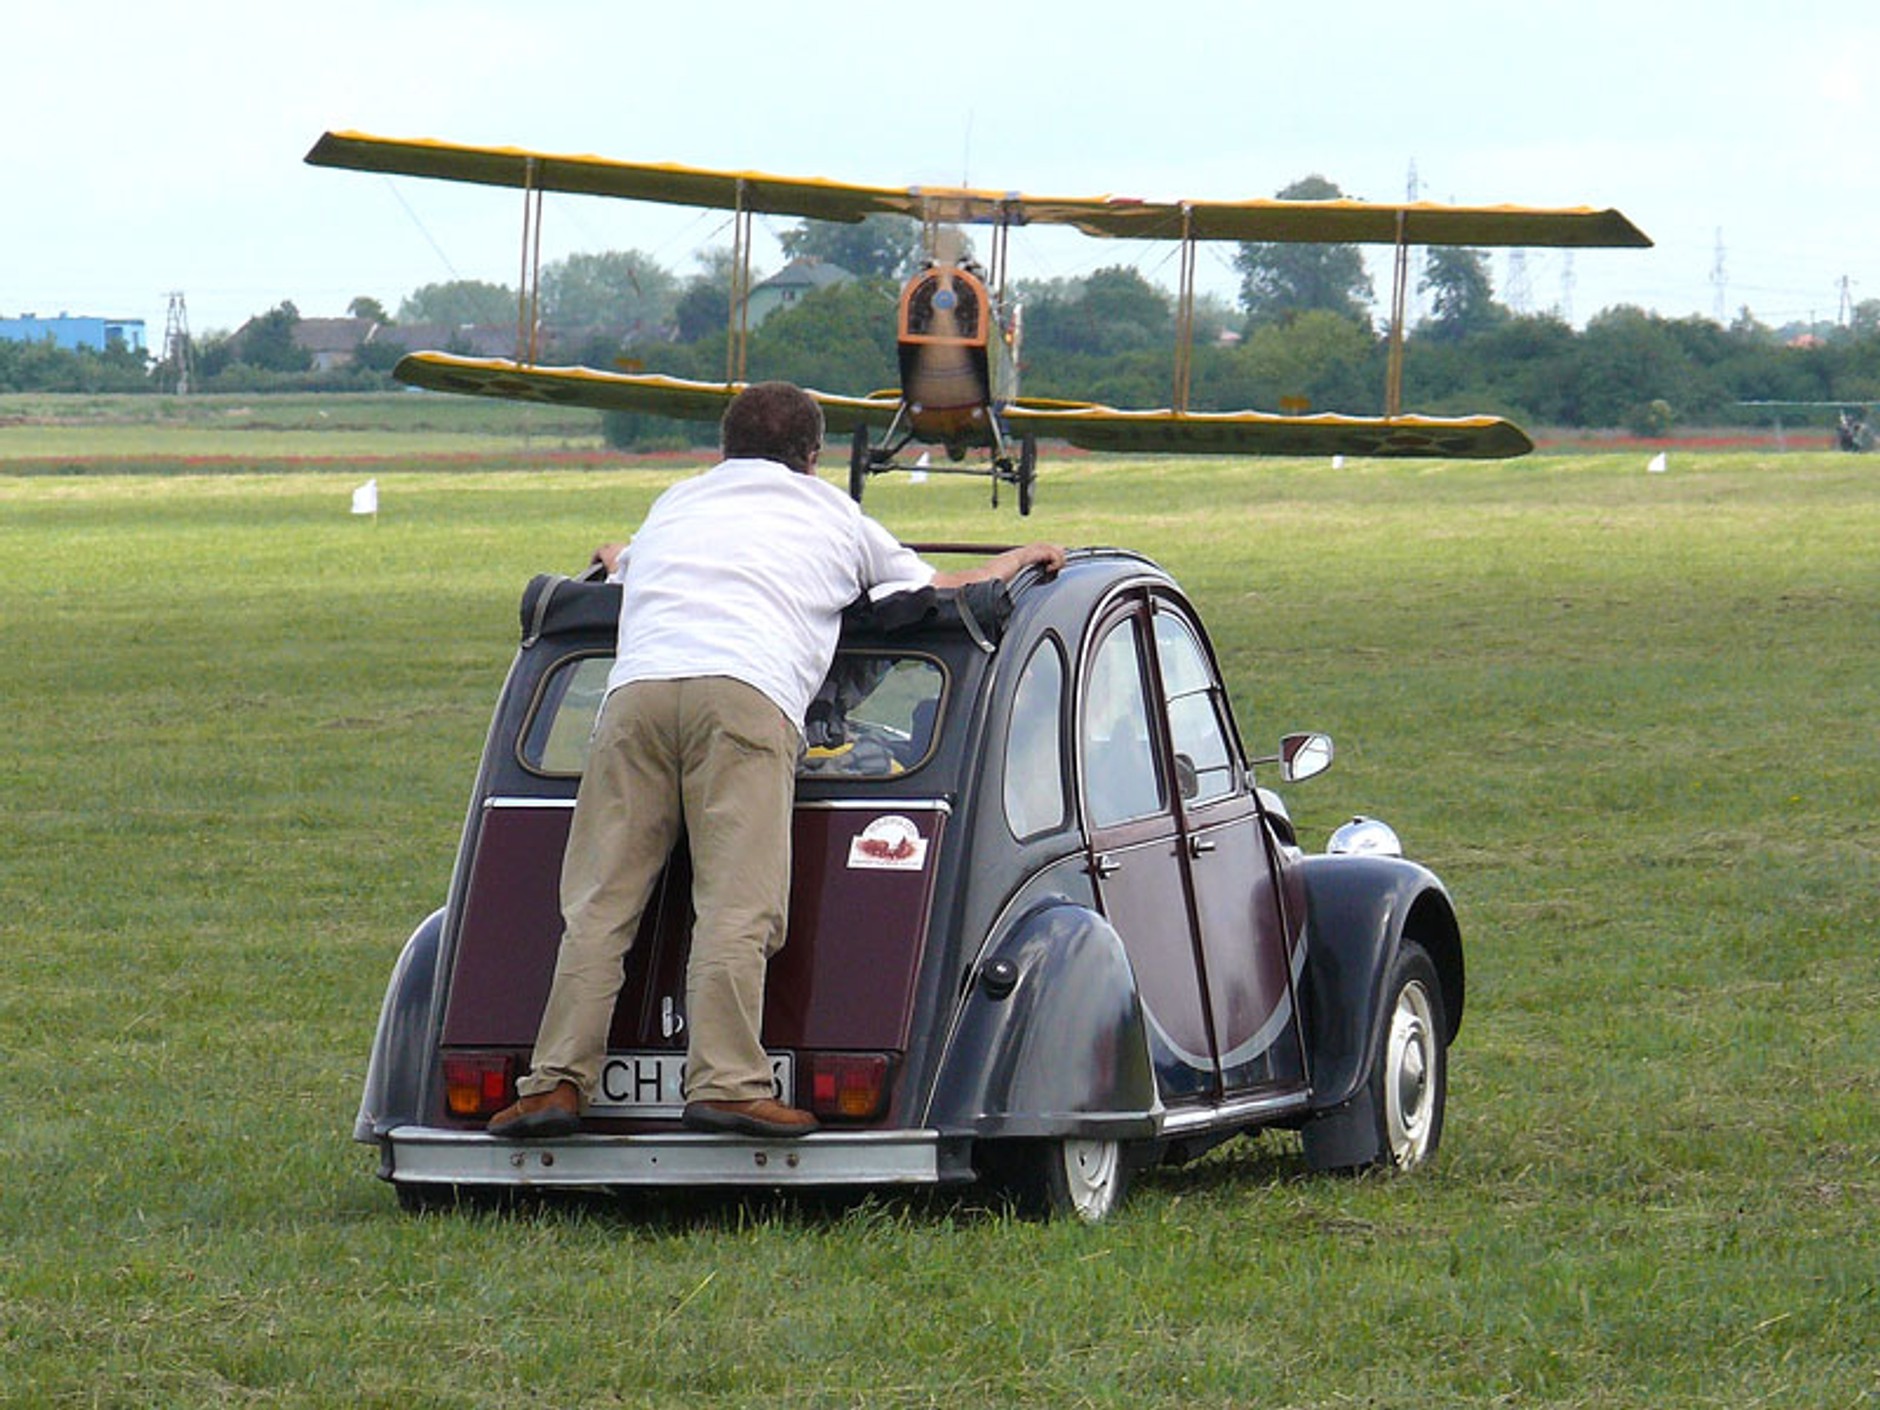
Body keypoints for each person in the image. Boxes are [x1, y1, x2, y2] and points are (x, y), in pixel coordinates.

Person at [489, 382, 1064, 1139]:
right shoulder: (831, 513)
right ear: (813, 455)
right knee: (736, 904)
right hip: (744, 694)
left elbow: (625, 568)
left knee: (599, 904)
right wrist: (1022, 555)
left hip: (634, 698)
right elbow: (935, 590)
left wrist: (613, 555)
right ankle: (726, 1081)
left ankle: (556, 1083)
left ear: (725, 448)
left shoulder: (678, 503)